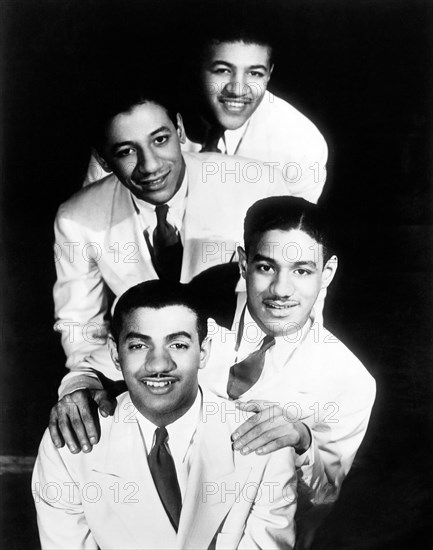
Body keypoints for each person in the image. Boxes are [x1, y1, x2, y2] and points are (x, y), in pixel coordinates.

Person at [50, 84, 289, 453]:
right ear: (103, 158)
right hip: (152, 376)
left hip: (255, 376)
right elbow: (80, 325)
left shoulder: (254, 185)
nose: (150, 166)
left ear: (179, 130)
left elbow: (302, 295)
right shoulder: (77, 218)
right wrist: (81, 383)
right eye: (126, 151)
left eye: (160, 139)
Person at [33, 281, 297, 550]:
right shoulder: (71, 446)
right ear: (115, 353)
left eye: (178, 345)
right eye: (138, 346)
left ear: (203, 352)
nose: (159, 364)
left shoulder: (264, 444)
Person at [192, 196, 376, 508]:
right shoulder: (194, 315)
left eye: (302, 271)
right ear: (242, 263)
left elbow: (324, 494)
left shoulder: (350, 380)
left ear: (327, 273)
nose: (280, 289)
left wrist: (303, 441)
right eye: (266, 267)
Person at [84, 30, 327, 204]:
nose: (238, 89)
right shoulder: (137, 120)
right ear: (196, 66)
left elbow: (291, 245)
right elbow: (93, 219)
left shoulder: (301, 145)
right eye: (222, 70)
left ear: (269, 74)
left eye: (254, 73)